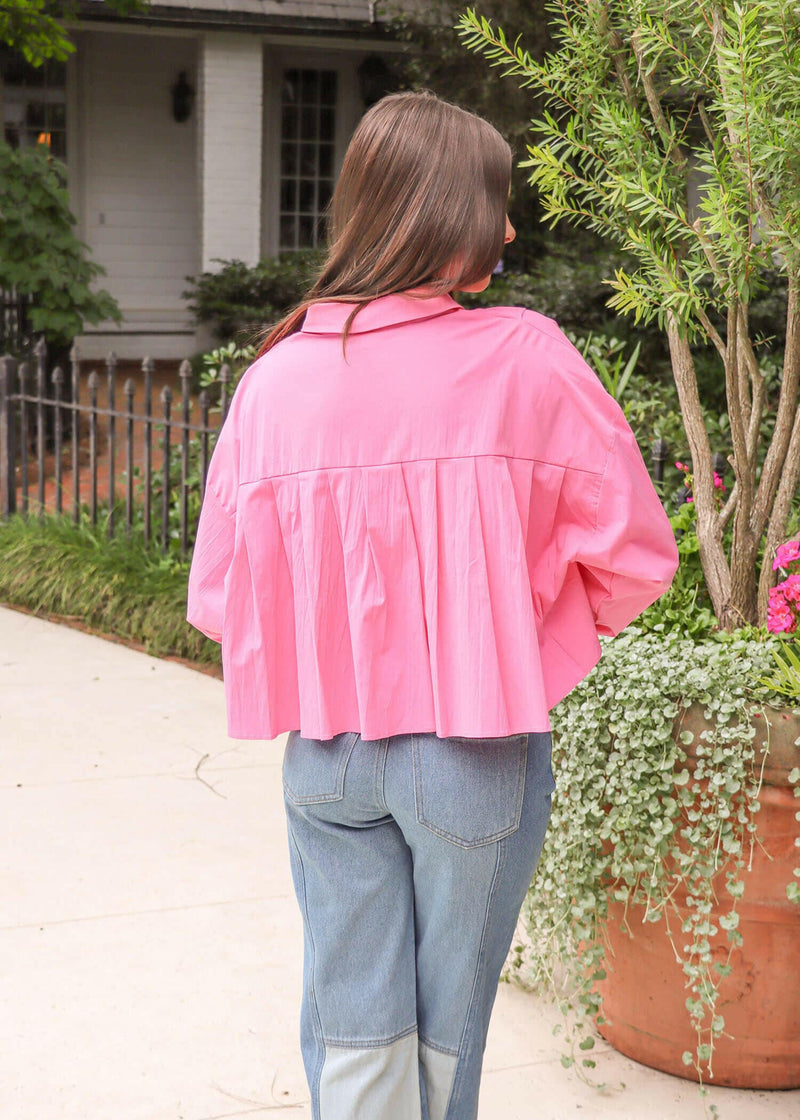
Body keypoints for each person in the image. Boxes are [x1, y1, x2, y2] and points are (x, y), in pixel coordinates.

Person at [187, 90, 678, 1120]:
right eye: (491, 203)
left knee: (353, 1025)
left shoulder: (272, 378)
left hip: (325, 758)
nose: (505, 228)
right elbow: (634, 556)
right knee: (447, 1036)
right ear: (435, 212)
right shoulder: (524, 356)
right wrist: (507, 639)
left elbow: (224, 600)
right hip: (472, 755)